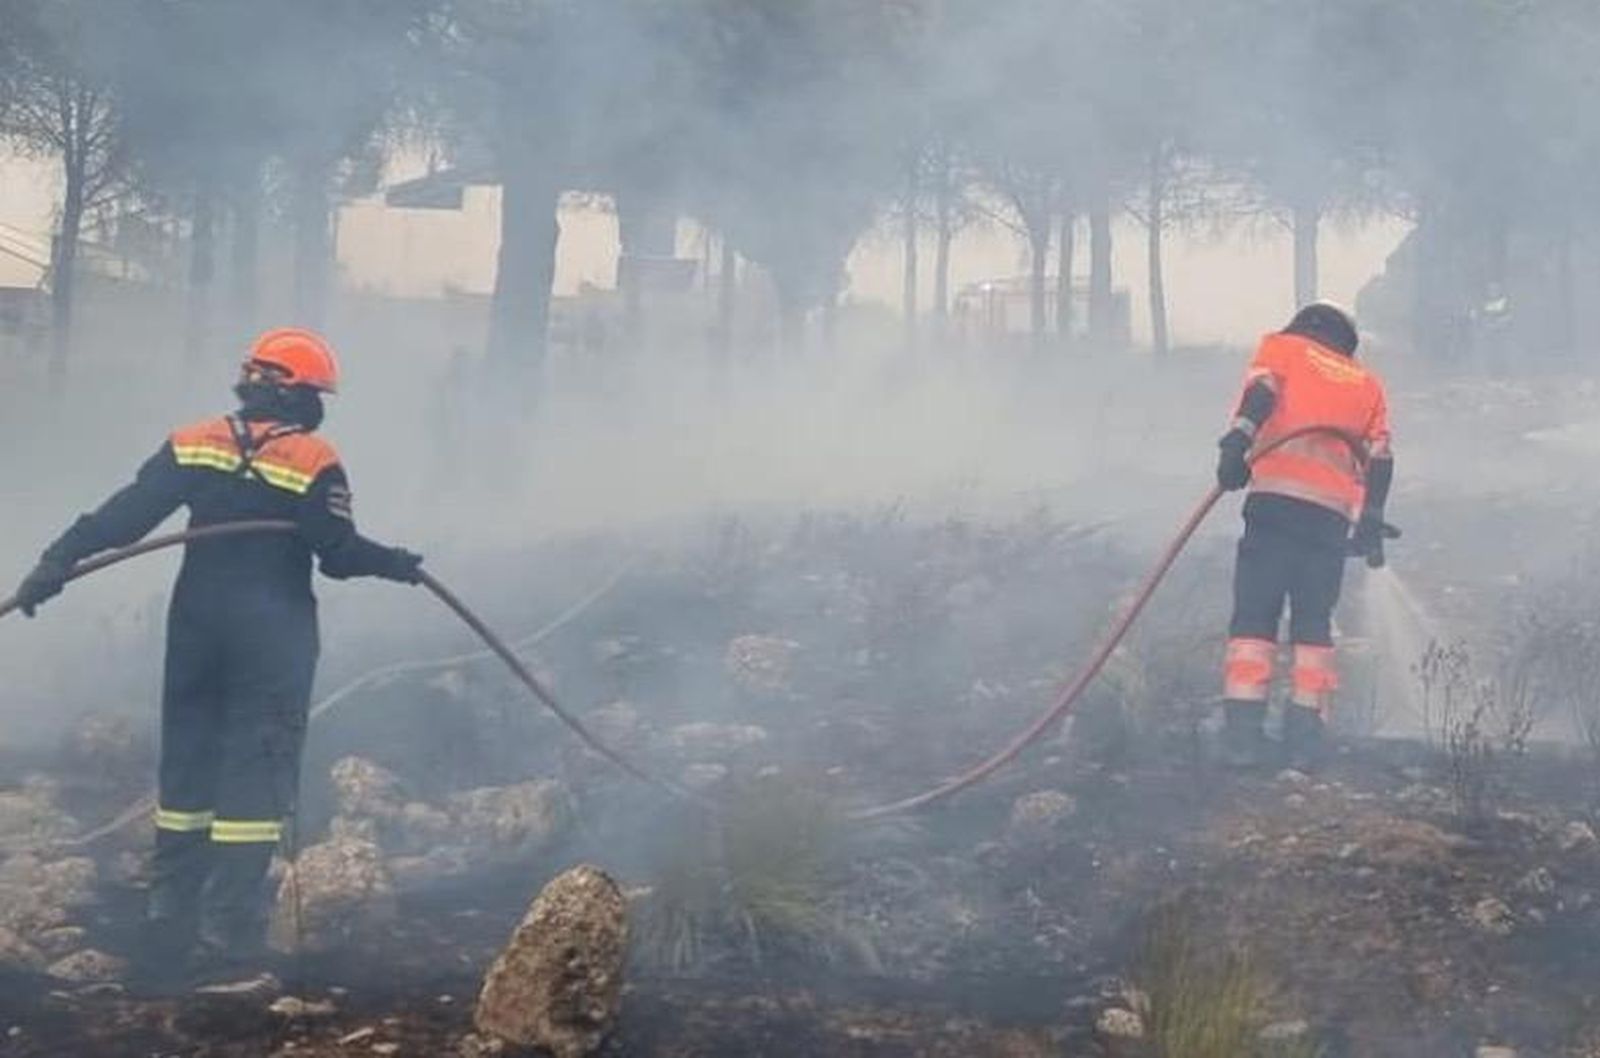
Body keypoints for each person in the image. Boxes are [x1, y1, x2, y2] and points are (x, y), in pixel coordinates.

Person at [11, 328, 423, 994]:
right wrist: (398, 565)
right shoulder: (313, 457)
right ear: (294, 393)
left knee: (188, 770)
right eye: (318, 394)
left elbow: (124, 516)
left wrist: (56, 561)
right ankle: (225, 940)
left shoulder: (193, 442)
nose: (321, 406)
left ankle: (166, 924)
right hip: (271, 641)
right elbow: (338, 553)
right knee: (253, 788)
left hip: (195, 634)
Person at [1215, 302, 1396, 771]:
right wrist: (1371, 518)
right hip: (1329, 522)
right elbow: (1379, 456)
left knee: (1255, 619)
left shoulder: (1283, 349)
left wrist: (1236, 445)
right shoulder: (1367, 384)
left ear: (1305, 328)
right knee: (1314, 626)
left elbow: (1261, 393)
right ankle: (1305, 738)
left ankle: (1242, 737)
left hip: (1274, 506)